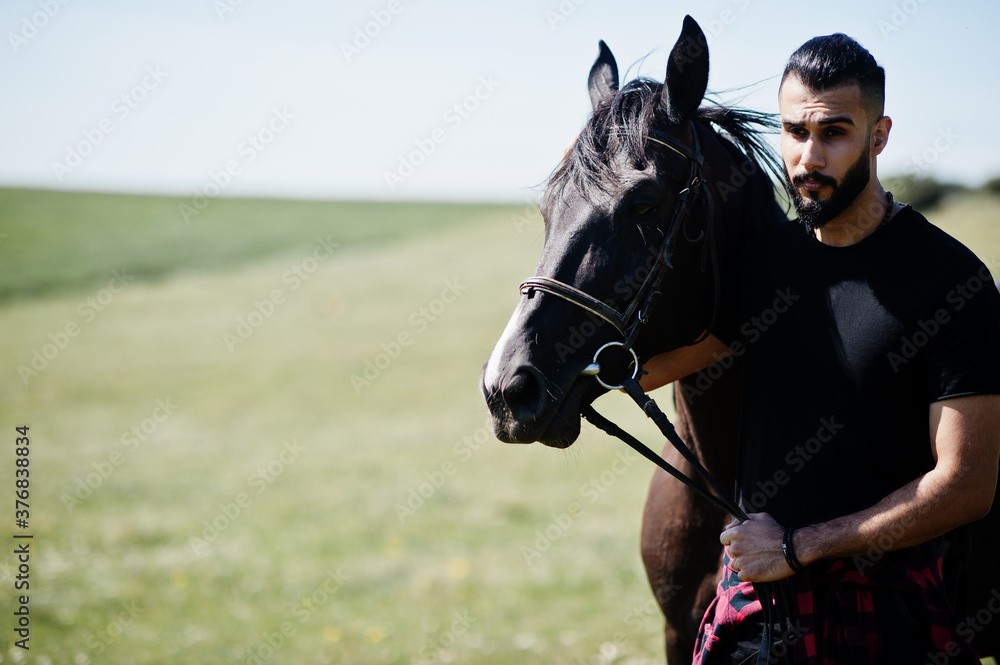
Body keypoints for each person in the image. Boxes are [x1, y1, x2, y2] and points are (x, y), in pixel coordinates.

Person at [640, 33, 1000, 664]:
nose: (809, 157)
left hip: (890, 615)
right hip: (755, 617)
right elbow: (673, 360)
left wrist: (797, 546)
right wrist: (550, 361)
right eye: (795, 132)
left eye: (834, 133)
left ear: (879, 136)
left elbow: (965, 484)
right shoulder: (761, 263)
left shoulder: (951, 281)